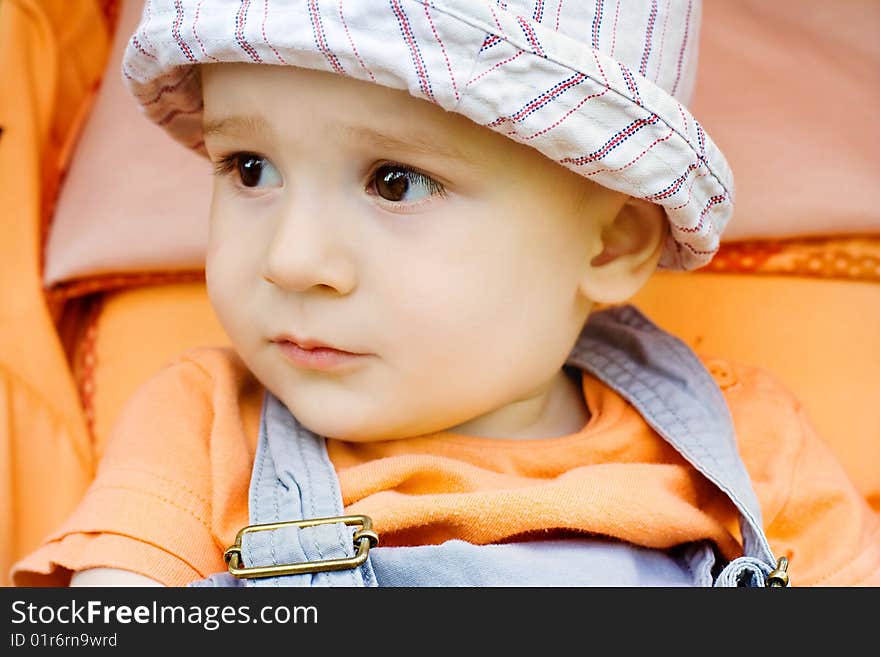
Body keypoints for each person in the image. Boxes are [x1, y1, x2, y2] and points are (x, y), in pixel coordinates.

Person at [11, 0, 880, 587]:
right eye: (250, 168)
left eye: (395, 182)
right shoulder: (201, 429)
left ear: (612, 240)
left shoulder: (749, 450)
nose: (291, 258)